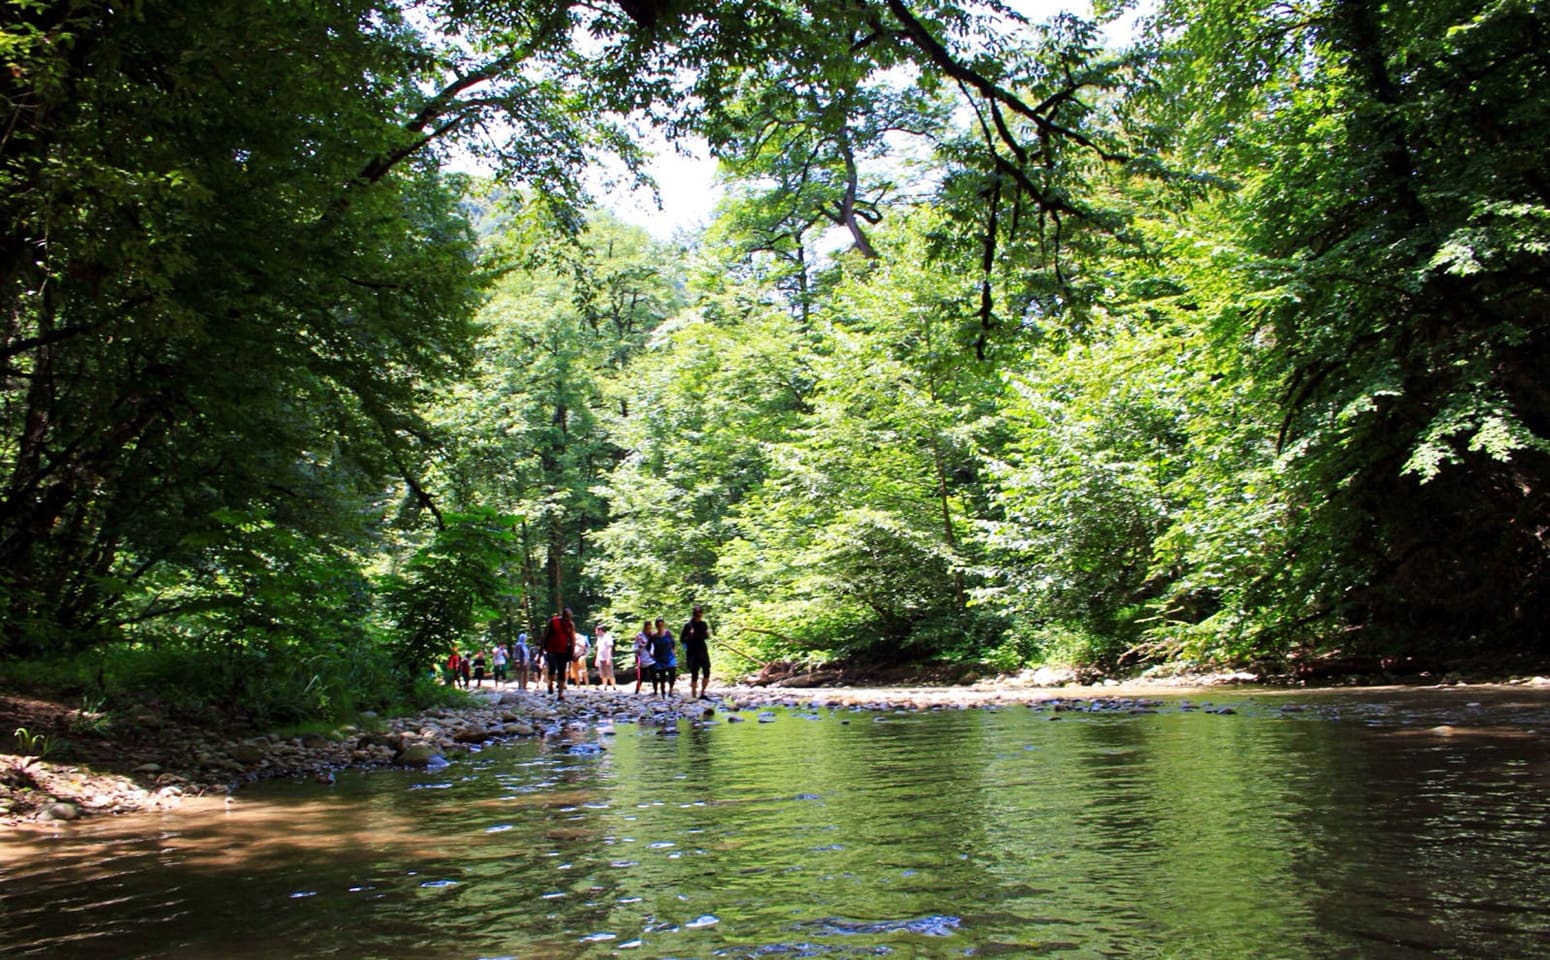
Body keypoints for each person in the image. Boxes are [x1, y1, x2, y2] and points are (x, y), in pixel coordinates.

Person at [543, 608, 577, 700]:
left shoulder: (570, 625)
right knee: (552, 668)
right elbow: (546, 634)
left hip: (564, 651)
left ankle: (560, 694)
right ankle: (550, 683)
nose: (568, 618)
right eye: (567, 616)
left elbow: (572, 638)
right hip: (551, 649)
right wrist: (543, 646)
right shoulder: (553, 621)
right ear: (563, 614)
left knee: (562, 671)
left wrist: (573, 652)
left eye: (570, 616)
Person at [681, 605, 712, 698]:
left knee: (707, 670)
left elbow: (706, 637)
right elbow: (682, 639)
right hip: (692, 652)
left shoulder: (703, 624)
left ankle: (702, 693)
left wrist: (707, 634)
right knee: (694, 673)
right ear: (694, 615)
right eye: (697, 615)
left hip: (702, 650)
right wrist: (689, 636)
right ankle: (694, 695)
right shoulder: (688, 625)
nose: (699, 617)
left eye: (700, 615)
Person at [652, 617, 676, 696]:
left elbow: (673, 642)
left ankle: (671, 690)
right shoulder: (654, 636)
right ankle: (663, 692)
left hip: (669, 656)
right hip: (659, 657)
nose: (660, 626)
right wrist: (650, 653)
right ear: (656, 626)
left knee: (672, 672)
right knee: (662, 675)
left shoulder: (668, 633)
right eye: (659, 625)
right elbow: (648, 645)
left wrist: (674, 649)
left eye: (662, 625)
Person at [633, 620, 656, 694]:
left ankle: (656, 691)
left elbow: (655, 645)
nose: (648, 630)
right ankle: (637, 691)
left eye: (650, 628)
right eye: (647, 628)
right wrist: (640, 647)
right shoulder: (639, 636)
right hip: (643, 659)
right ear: (644, 628)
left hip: (652, 659)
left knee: (654, 676)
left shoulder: (653, 635)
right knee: (641, 677)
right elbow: (635, 648)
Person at [594, 624, 616, 688]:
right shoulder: (599, 638)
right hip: (600, 658)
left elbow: (610, 648)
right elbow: (598, 649)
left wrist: (609, 658)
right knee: (602, 673)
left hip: (607, 657)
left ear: (600, 630)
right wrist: (596, 659)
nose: (596, 632)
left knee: (610, 673)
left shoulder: (608, 637)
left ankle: (613, 686)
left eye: (596, 631)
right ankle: (605, 686)